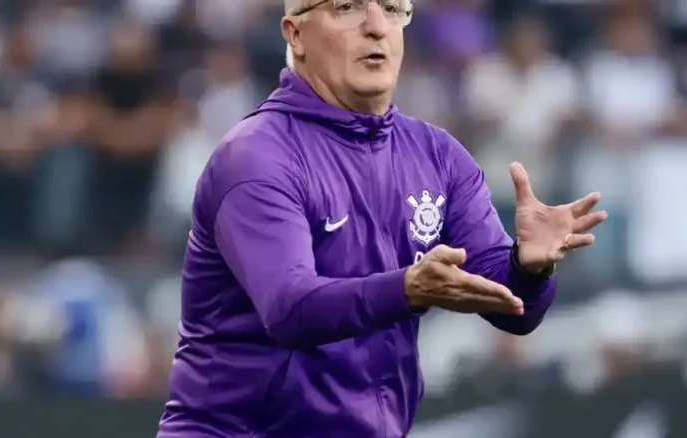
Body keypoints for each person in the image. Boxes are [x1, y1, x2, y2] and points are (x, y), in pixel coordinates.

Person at [156, 0, 607, 437]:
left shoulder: (437, 156)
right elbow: (290, 309)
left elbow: (514, 308)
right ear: (296, 34)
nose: (376, 26)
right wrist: (405, 289)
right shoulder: (258, 157)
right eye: (346, 7)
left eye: (392, 9)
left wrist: (529, 267)